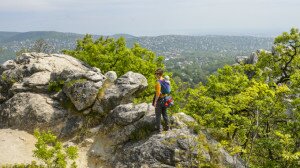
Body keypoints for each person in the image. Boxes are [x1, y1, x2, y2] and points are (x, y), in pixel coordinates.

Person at [153, 68, 169, 133]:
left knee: (158, 115)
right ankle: (167, 127)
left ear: (159, 74)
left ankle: (159, 130)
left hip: (159, 100)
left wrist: (155, 102)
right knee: (165, 113)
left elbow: (158, 93)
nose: (155, 75)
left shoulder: (158, 82)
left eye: (156, 73)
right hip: (165, 99)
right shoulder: (165, 80)